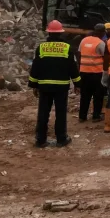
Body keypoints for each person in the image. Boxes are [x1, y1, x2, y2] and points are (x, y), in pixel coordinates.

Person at [28, 20, 81, 148]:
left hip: (44, 86)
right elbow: (72, 67)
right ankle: (61, 139)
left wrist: (33, 85)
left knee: (43, 113)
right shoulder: (67, 48)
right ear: (61, 33)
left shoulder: (41, 48)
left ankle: (40, 140)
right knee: (61, 112)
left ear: (49, 33)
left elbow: (35, 67)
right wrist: (77, 84)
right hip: (61, 86)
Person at [76, 23, 107, 122]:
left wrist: (79, 68)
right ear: (102, 32)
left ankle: (82, 116)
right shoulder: (100, 43)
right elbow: (105, 57)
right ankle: (96, 116)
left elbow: (79, 55)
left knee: (85, 95)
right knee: (98, 95)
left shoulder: (84, 40)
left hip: (84, 72)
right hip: (97, 73)